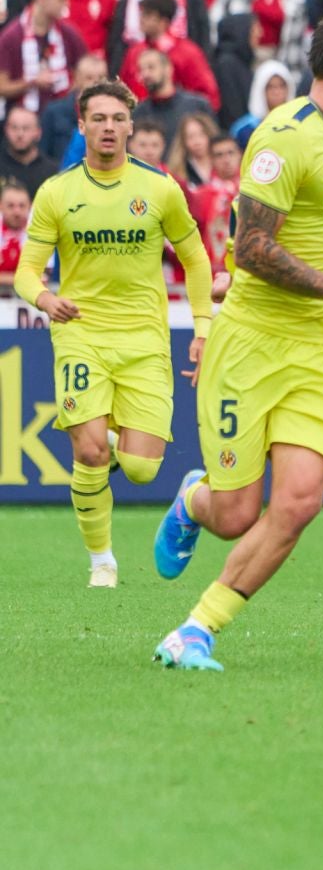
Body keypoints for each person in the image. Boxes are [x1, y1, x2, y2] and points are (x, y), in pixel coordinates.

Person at [148, 8, 323, 670]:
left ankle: (197, 628)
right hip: (254, 342)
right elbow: (250, 248)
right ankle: (191, 497)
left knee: (297, 502)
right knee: (233, 514)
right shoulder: (282, 138)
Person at [14, 78, 210, 588]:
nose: (108, 127)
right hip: (80, 334)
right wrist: (44, 298)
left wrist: (203, 326)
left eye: (117, 119)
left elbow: (195, 259)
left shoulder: (159, 188)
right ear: (81, 126)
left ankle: (147, 465)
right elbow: (26, 272)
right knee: (90, 451)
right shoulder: (57, 192)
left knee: (142, 470)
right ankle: (101, 559)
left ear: (130, 125)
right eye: (97, 119)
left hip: (145, 338)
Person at [0, 0, 88, 123]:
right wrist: (32, 82)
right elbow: (2, 87)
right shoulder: (12, 36)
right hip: (22, 121)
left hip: (62, 119)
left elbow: (87, 69)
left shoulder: (69, 33)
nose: (66, 4)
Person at [121, 0, 220, 106]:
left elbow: (208, 95)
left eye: (147, 15)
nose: (141, 19)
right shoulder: (134, 52)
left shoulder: (187, 53)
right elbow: (124, 88)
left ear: (163, 21)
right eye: (141, 14)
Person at [132, 48, 214, 146]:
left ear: (168, 69)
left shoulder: (197, 105)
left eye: (151, 67)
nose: (145, 74)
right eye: (141, 70)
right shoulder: (138, 113)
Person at [187, 133, 243, 267]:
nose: (226, 159)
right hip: (212, 271)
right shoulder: (200, 195)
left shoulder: (252, 192)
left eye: (231, 153)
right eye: (219, 155)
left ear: (240, 155)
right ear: (210, 159)